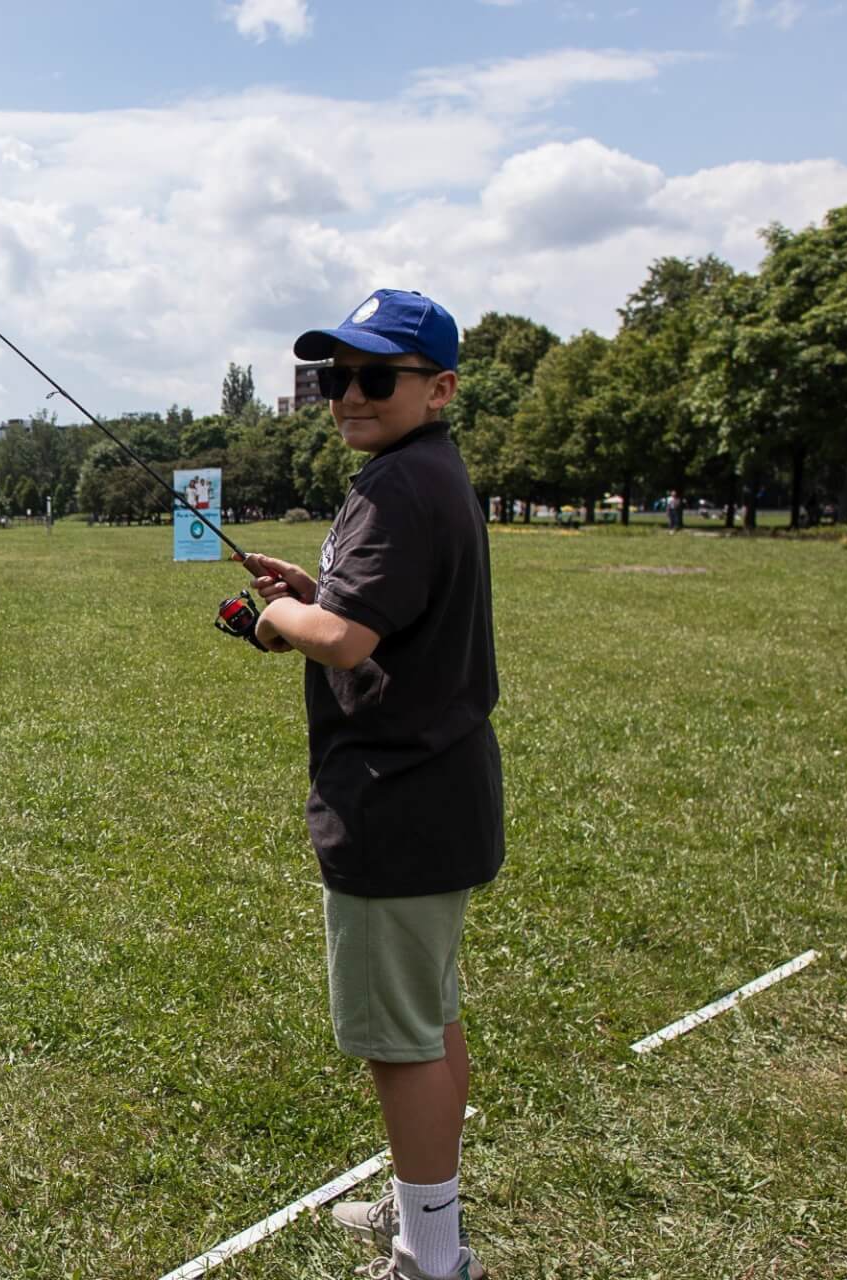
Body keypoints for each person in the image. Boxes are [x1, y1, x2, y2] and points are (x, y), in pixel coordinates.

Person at [235, 289, 501, 1280]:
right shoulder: (425, 473)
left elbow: (346, 642)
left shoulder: (398, 485)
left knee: (403, 1040)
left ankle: (431, 1255)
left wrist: (276, 621)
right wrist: (313, 592)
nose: (348, 394)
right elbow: (365, 611)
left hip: (397, 799)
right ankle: (426, 1203)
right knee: (428, 1017)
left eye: (374, 377)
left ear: (438, 388)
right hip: (441, 793)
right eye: (334, 377)